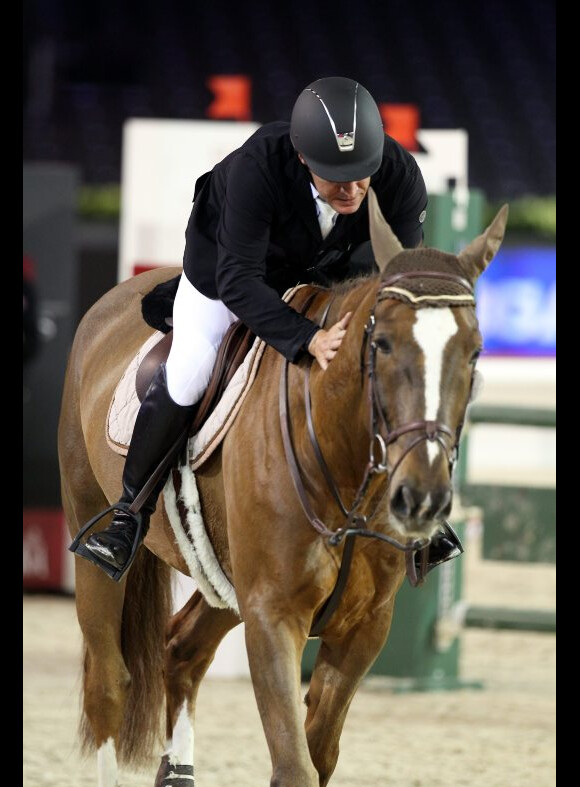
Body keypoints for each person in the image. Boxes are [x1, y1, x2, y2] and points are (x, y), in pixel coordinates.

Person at [79, 76, 462, 581]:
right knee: (193, 366)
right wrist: (305, 338)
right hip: (228, 270)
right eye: (334, 176)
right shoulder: (258, 167)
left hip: (327, 274)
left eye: (360, 174)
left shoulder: (398, 175)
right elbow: (240, 281)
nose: (350, 189)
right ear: (304, 158)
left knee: (395, 368)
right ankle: (129, 515)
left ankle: (419, 518)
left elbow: (392, 278)